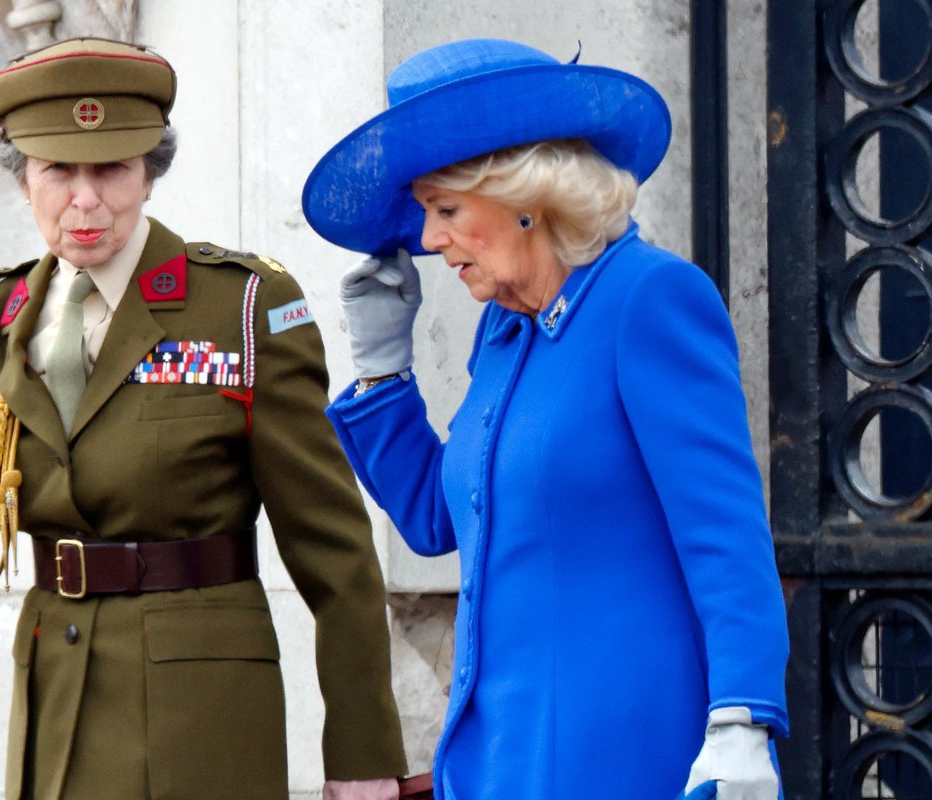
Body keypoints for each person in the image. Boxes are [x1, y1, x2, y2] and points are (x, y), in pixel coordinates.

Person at [0, 37, 407, 800]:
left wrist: (362, 748)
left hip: (201, 715)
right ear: (22, 180)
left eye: (111, 168)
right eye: (58, 172)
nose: (85, 200)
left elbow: (334, 549)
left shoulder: (244, 309)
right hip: (55, 697)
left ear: (149, 172)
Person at [302, 38, 789, 800]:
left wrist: (742, 719)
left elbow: (724, 531)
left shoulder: (648, 299)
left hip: (621, 748)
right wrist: (382, 370)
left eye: (446, 210)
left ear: (524, 197)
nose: (428, 241)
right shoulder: (507, 331)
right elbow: (440, 519)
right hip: (498, 751)